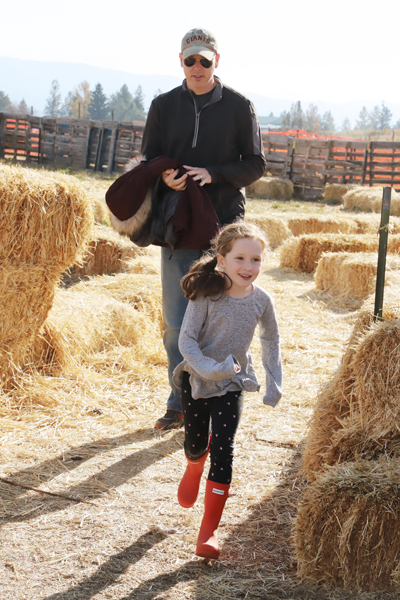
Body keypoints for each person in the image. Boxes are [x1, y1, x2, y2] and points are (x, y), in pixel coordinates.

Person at [141, 27, 267, 430]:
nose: (197, 66)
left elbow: (256, 164)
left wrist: (213, 173)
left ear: (216, 61)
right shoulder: (163, 105)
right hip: (176, 223)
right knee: (178, 322)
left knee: (223, 319)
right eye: (190, 59)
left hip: (225, 227)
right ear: (180, 60)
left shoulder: (239, 106)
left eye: (205, 60)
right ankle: (180, 401)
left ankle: (217, 397)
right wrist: (165, 177)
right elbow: (149, 158)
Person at [172, 221, 282, 560]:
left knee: (224, 448)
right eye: (240, 258)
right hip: (197, 379)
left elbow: (270, 339)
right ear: (221, 260)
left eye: (256, 260)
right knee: (196, 444)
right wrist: (209, 368)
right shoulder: (207, 294)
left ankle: (209, 531)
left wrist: (274, 381)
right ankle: (194, 464)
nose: (248, 267)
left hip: (233, 382)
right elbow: (186, 339)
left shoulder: (261, 300)